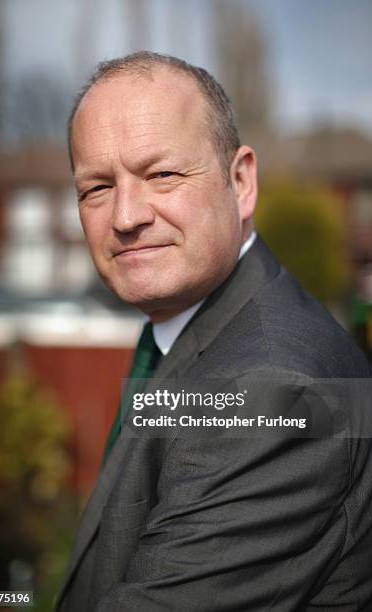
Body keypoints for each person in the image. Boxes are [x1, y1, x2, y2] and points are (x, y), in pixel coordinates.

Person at [56, 52, 372, 611]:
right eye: (96, 188)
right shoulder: (190, 325)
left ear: (242, 182)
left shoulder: (273, 385)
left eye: (162, 174)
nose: (126, 216)